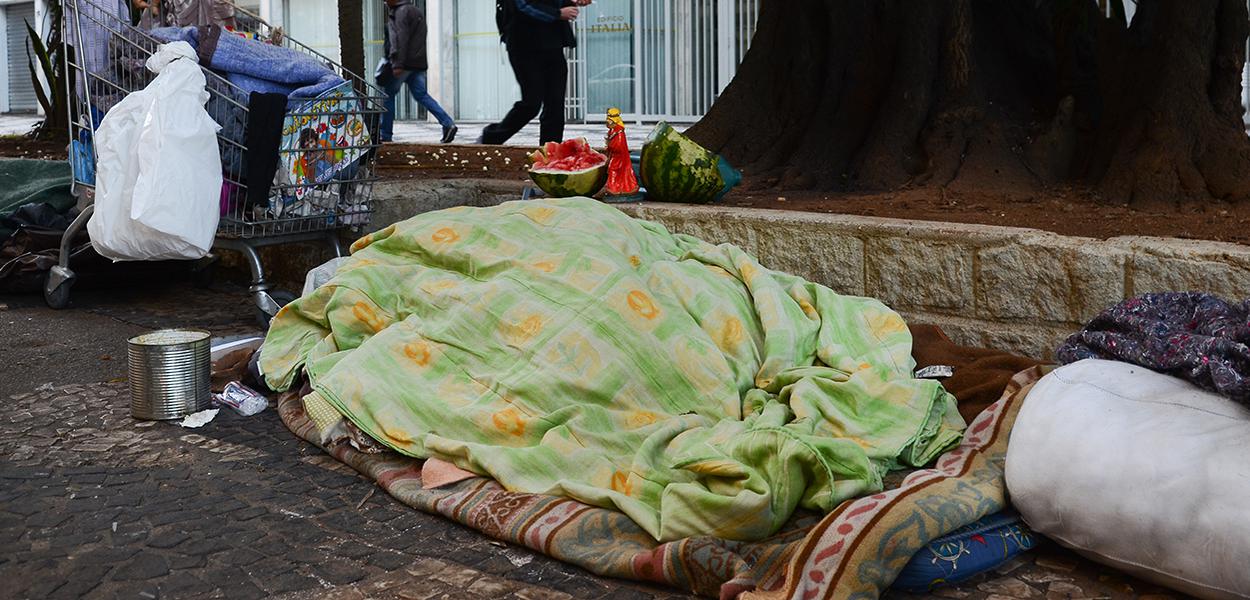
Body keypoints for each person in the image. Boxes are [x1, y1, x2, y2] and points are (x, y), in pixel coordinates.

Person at [478, 0, 592, 145]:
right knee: (531, 103)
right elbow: (523, 5)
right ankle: (491, 138)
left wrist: (572, 1)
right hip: (524, 45)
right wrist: (557, 13)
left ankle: (551, 151)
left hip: (553, 44)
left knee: (555, 103)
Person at [380, 0, 457, 144]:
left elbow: (400, 39)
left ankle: (385, 134)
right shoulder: (415, 11)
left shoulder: (401, 12)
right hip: (417, 64)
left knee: (387, 95)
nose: (384, 2)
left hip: (404, 64)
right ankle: (448, 123)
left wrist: (397, 63)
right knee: (421, 95)